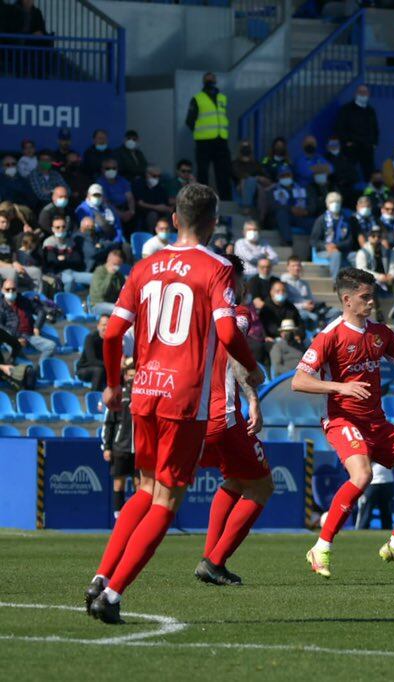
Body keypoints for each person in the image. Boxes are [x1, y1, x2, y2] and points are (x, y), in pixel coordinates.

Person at [85, 183, 262, 624]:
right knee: (167, 498)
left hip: (143, 390)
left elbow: (111, 334)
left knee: (146, 489)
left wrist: (111, 386)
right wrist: (252, 366)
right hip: (184, 398)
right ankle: (112, 595)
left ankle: (100, 576)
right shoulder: (218, 268)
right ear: (214, 221)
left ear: (176, 217)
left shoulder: (144, 267)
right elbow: (226, 332)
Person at [296, 268, 394, 578]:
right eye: (365, 297)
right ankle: (321, 546)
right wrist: (340, 387)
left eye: (372, 295)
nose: (371, 301)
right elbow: (299, 381)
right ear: (347, 300)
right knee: (362, 475)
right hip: (342, 420)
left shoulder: (381, 333)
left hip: (377, 424)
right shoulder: (330, 335)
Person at [195, 254, 275, 586]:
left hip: (192, 415)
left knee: (235, 480)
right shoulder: (235, 314)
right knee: (262, 486)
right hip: (223, 414)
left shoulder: (196, 315)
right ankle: (215, 561)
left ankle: (210, 556)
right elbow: (234, 354)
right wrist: (254, 400)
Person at [185, 73, 233, 200]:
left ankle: (225, 199)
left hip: (220, 139)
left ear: (216, 80)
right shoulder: (197, 98)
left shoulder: (222, 98)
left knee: (223, 171)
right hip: (204, 141)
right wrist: (199, 132)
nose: (210, 80)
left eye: (212, 78)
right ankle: (203, 199)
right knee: (203, 172)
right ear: (204, 81)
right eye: (208, 78)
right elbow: (190, 120)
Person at [102, 358, 136, 521]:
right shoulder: (119, 396)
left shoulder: (144, 396)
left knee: (141, 485)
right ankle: (119, 518)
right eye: (130, 376)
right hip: (120, 447)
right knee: (119, 483)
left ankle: (137, 518)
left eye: (135, 376)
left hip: (140, 448)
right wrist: (107, 446)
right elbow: (109, 423)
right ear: (125, 376)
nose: (132, 379)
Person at [0, 278, 54, 363]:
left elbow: (41, 311)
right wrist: (15, 339)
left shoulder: (24, 301)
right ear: (2, 290)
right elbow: (1, 327)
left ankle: (39, 371)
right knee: (16, 351)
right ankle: (27, 369)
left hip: (29, 336)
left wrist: (37, 327)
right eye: (7, 289)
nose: (11, 292)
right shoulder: (1, 306)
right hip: (11, 339)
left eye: (13, 289)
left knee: (51, 346)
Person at [334, 85, 378, 181]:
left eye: (365, 92)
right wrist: (346, 142)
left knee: (370, 174)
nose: (363, 94)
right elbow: (340, 128)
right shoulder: (346, 109)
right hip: (352, 148)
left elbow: (375, 129)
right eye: (360, 92)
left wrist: (374, 143)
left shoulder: (371, 111)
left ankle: (370, 195)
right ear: (355, 94)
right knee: (348, 174)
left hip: (367, 148)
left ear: (369, 94)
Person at [88, 250, 126, 317]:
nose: (117, 267)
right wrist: (110, 275)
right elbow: (102, 292)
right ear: (108, 260)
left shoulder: (119, 275)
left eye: (119, 265)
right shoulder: (99, 272)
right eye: (114, 264)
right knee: (118, 310)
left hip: (113, 303)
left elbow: (123, 292)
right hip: (97, 305)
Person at [77, 314, 109, 390]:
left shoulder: (112, 340)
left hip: (104, 368)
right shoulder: (91, 338)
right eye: (104, 325)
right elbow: (92, 360)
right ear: (98, 326)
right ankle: (95, 396)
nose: (106, 327)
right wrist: (109, 366)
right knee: (98, 370)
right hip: (85, 369)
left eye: (109, 325)